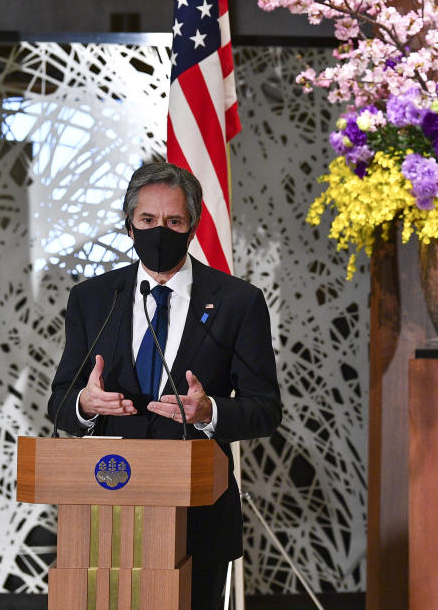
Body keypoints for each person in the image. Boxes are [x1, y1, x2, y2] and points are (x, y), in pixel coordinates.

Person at [48, 162, 283, 610]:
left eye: (173, 222)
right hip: (105, 511)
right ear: (129, 227)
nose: (161, 231)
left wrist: (209, 411)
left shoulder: (238, 301)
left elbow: (265, 409)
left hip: (200, 518)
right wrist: (86, 403)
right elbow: (60, 401)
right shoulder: (93, 298)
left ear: (192, 227)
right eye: (148, 221)